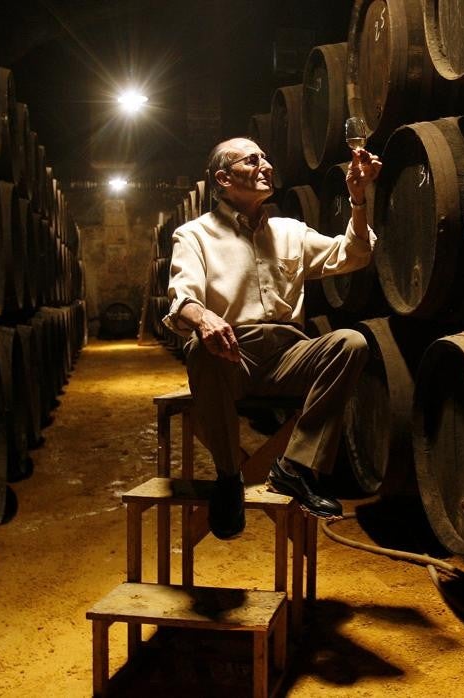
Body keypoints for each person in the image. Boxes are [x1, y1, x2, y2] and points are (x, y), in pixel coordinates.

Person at [165, 137, 382, 539]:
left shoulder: (290, 231)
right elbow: (183, 297)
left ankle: (295, 467)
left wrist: (358, 199)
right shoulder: (193, 235)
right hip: (231, 353)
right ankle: (230, 478)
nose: (266, 164)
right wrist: (204, 318)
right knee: (201, 348)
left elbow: (352, 254)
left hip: (288, 355)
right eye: (252, 159)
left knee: (350, 343)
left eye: (266, 156)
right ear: (224, 178)